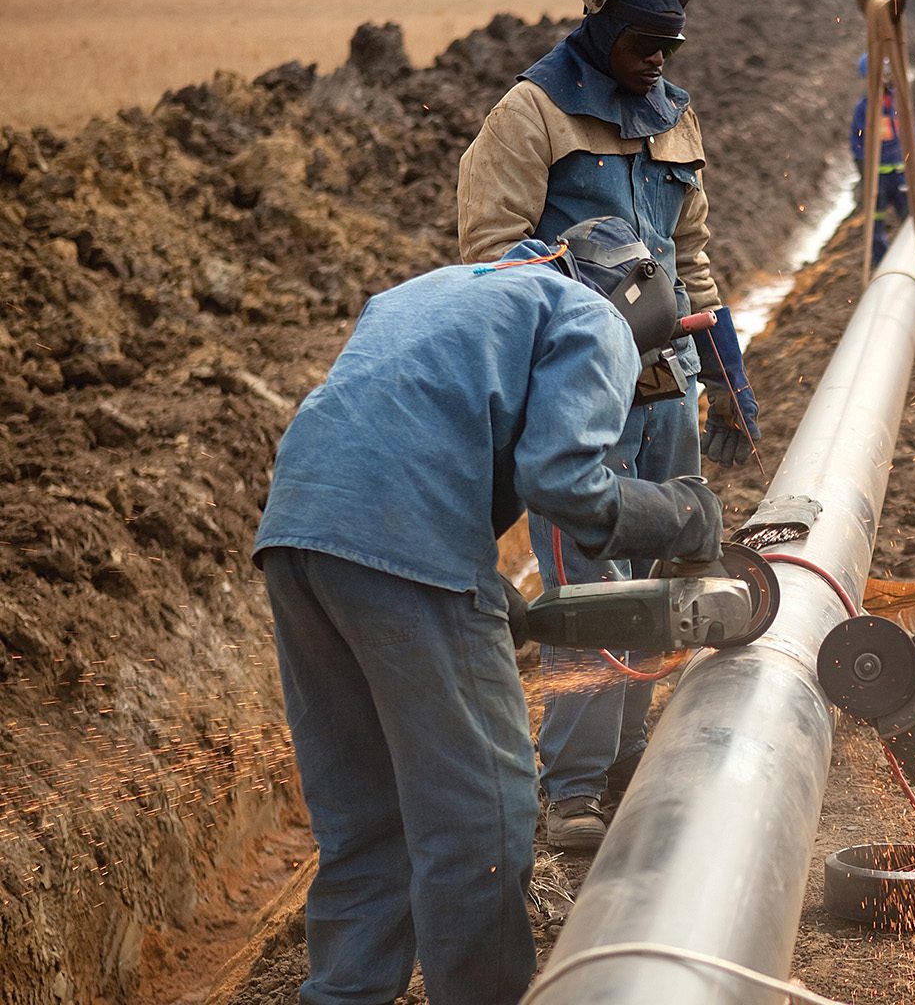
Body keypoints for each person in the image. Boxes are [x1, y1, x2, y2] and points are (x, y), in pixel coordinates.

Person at [252, 220, 726, 1005]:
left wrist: (485, 584)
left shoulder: (434, 290)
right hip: (404, 539)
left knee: (368, 819)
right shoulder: (596, 316)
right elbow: (566, 485)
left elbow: (401, 434)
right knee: (486, 821)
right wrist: (685, 515)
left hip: (299, 538)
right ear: (638, 305)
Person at [456, 0, 760, 853]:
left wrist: (731, 383)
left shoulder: (674, 118)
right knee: (590, 590)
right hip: (579, 400)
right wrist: (588, 278)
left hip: (669, 393)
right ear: (600, 24)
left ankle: (628, 760)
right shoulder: (532, 116)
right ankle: (574, 790)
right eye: (642, 40)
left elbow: (694, 258)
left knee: (665, 582)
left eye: (670, 41)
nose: (658, 57)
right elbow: (487, 256)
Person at [851, 52, 910, 263]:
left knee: (909, 218)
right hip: (878, 178)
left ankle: (910, 258)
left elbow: (912, 135)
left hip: (901, 175)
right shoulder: (864, 109)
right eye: (880, 74)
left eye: (886, 73)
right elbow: (857, 144)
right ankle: (882, 263)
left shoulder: (897, 103)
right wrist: (865, 173)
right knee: (876, 222)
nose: (885, 77)